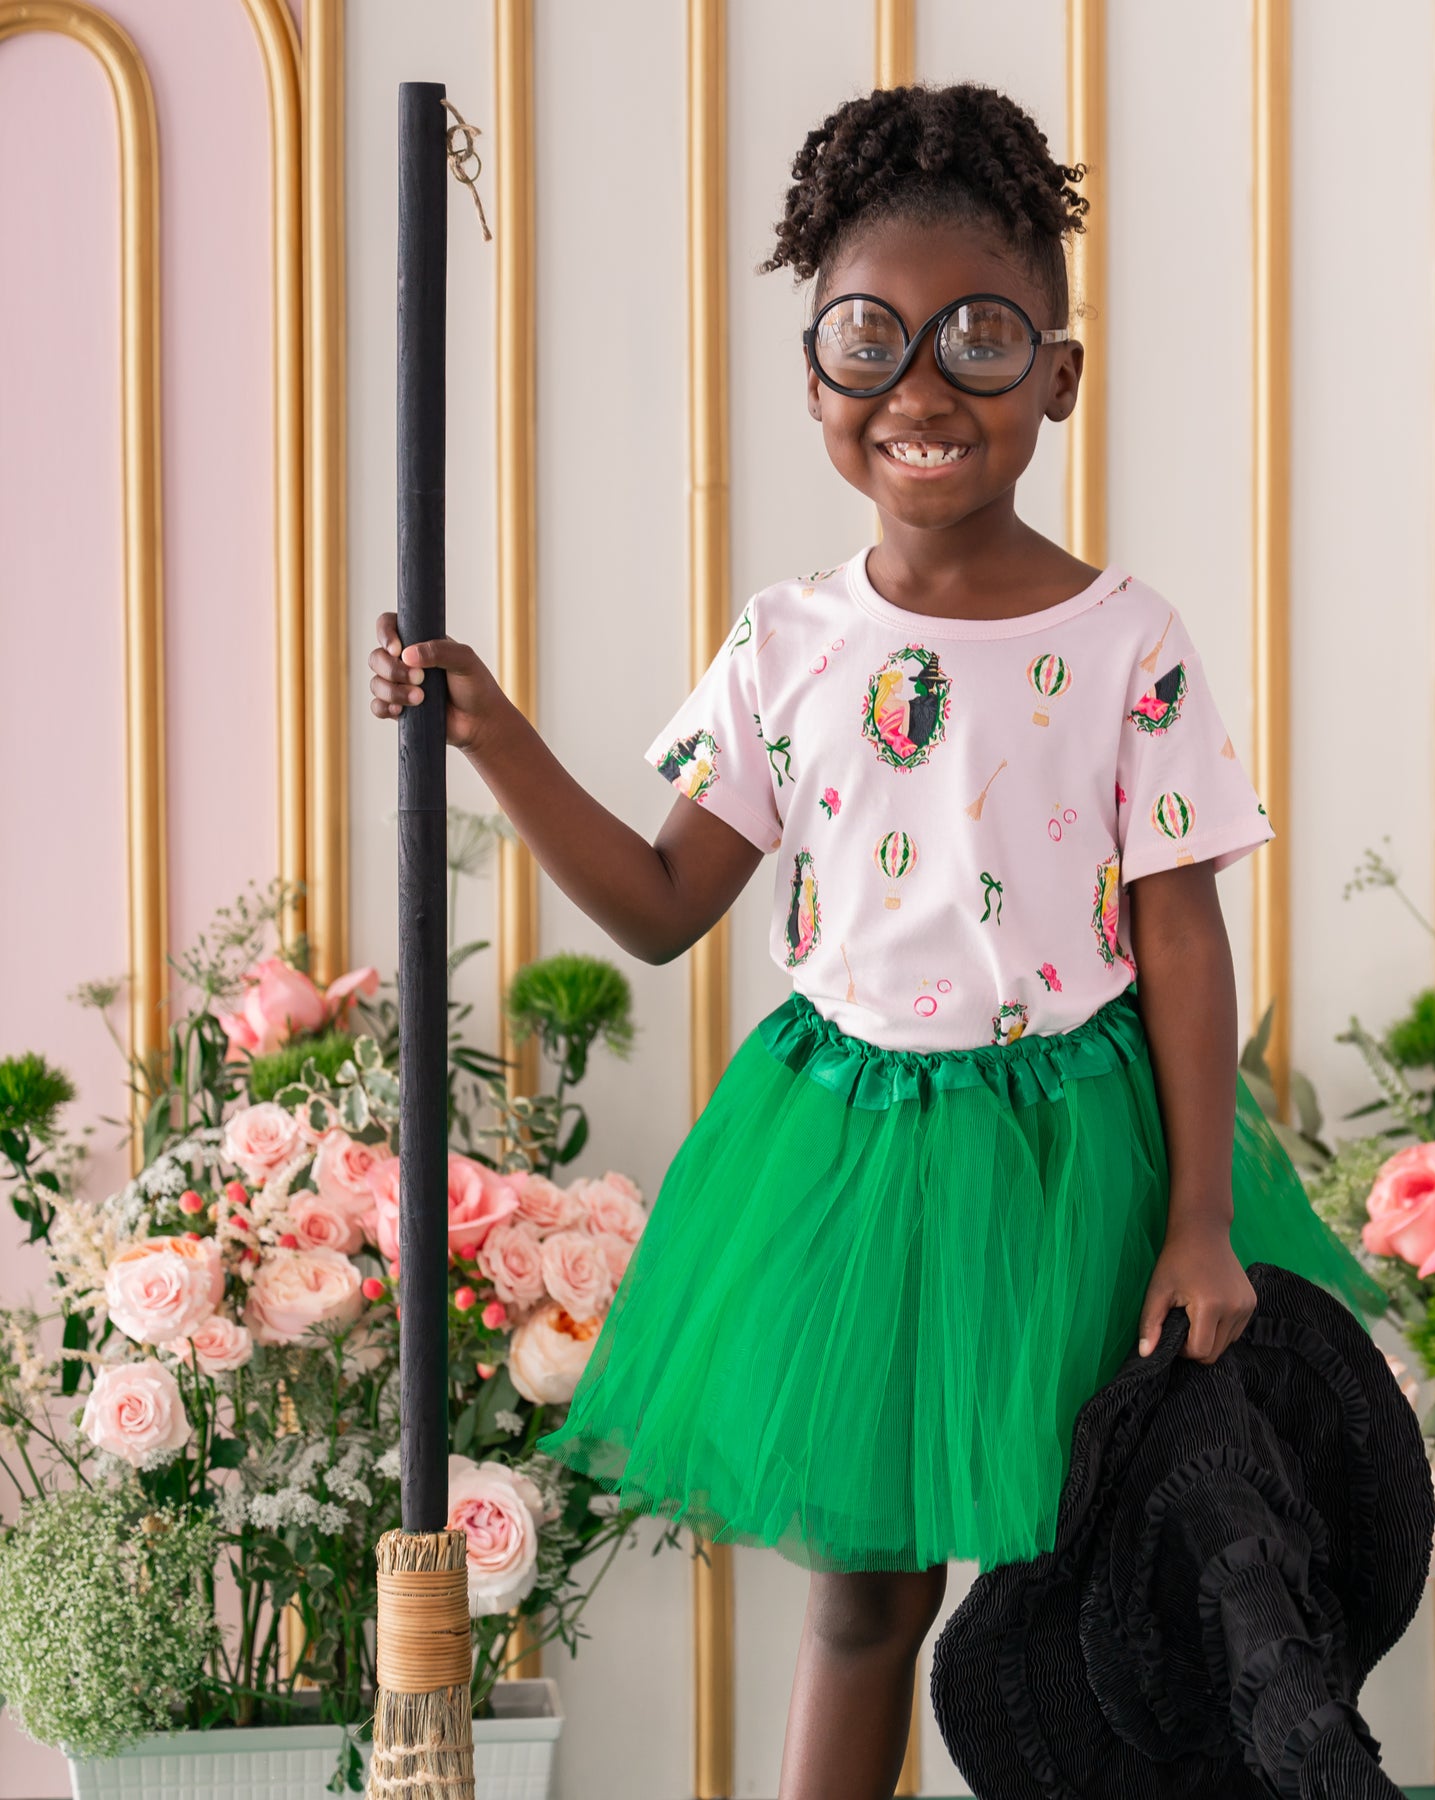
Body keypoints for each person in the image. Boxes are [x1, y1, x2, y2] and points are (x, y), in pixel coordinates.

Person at [368, 81, 1381, 1800]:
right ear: (817, 375)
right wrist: (498, 739)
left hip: (1087, 1159)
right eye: (871, 339)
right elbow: (665, 906)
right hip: (849, 1164)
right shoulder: (788, 643)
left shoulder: (1128, 634)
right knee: (867, 1595)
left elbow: (1183, 931)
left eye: (981, 339)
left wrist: (1201, 1217)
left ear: (1058, 372)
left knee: (1097, 1578)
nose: (922, 388)